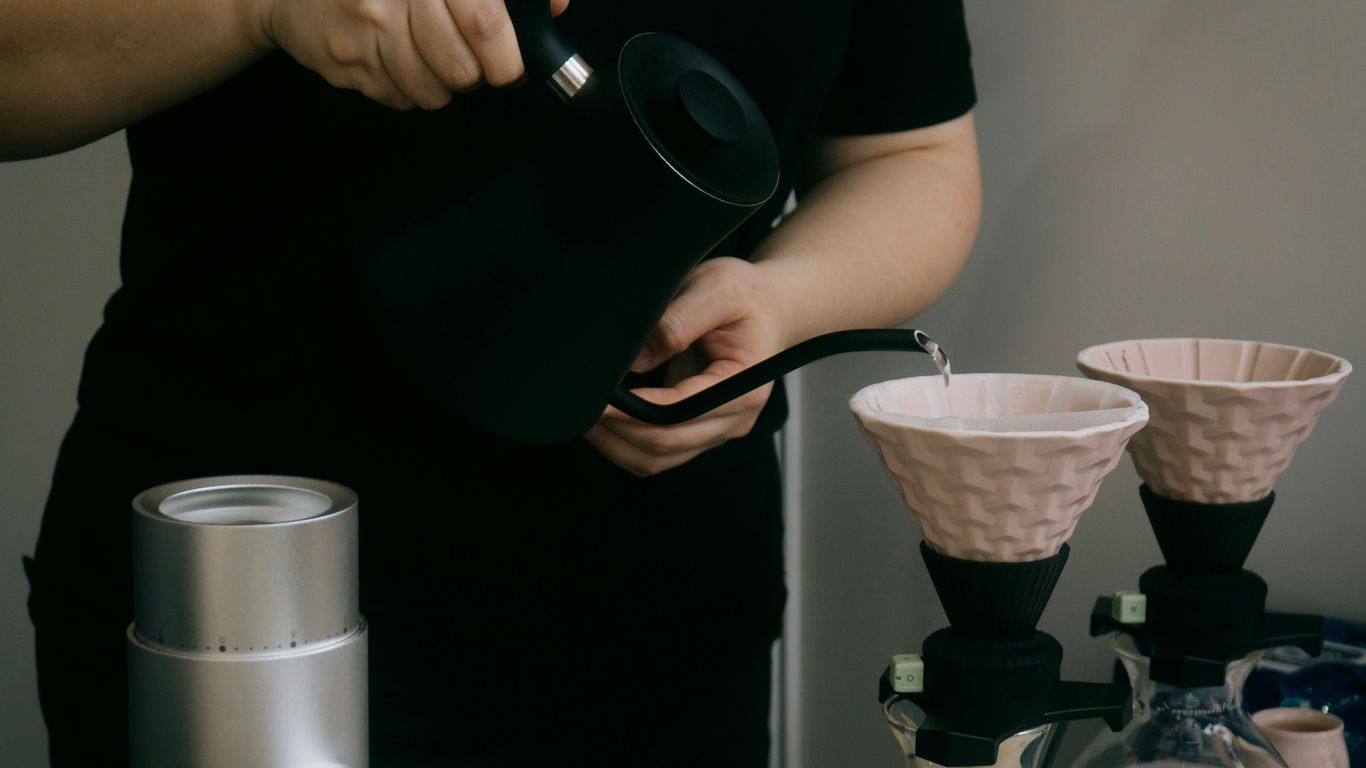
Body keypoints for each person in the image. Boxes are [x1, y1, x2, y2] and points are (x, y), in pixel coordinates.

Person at [4, 0, 980, 764]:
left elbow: (913, 154)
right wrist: (256, 7)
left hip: (656, 648)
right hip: (233, 620)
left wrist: (782, 301)